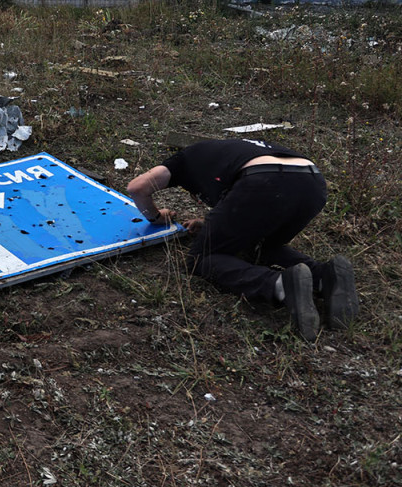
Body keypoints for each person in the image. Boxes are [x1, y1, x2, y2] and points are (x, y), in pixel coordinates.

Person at [125, 138, 357, 341]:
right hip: (312, 183)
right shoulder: (228, 152)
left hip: (264, 180)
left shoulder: (183, 159)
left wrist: (156, 217)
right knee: (260, 245)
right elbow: (243, 213)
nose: (199, 201)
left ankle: (279, 285)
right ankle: (324, 276)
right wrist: (211, 225)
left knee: (202, 257)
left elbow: (137, 187)